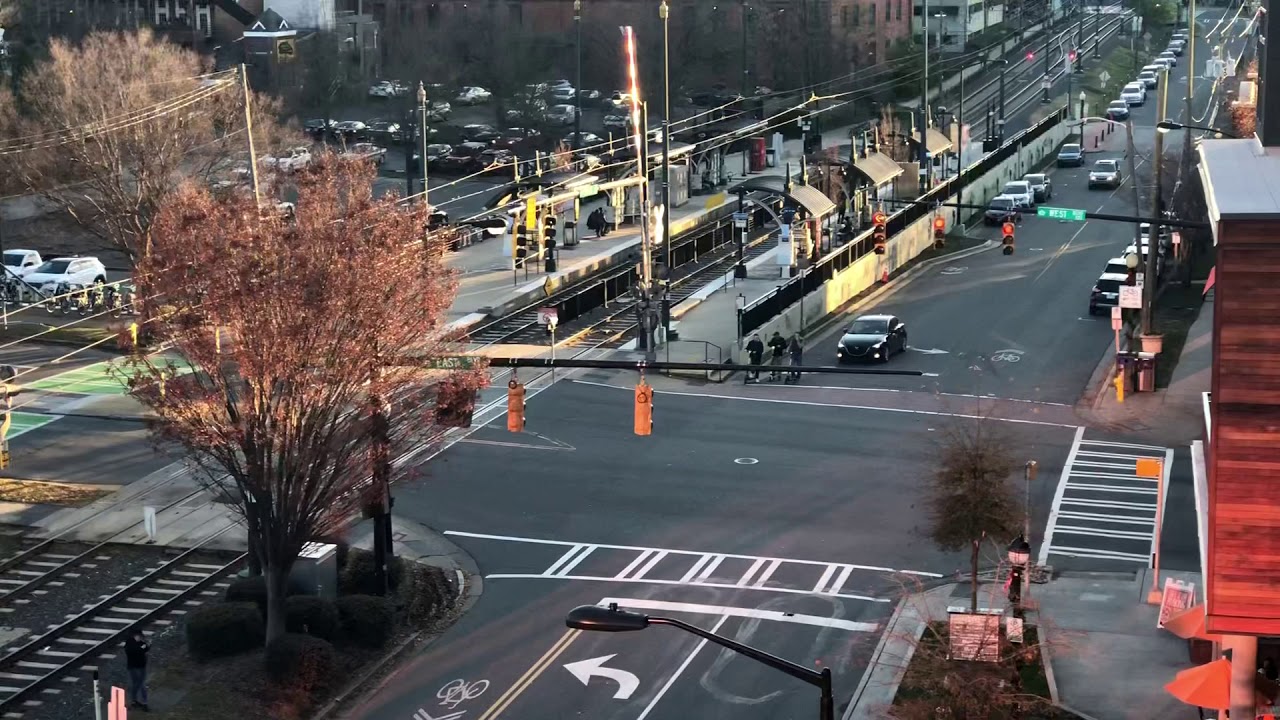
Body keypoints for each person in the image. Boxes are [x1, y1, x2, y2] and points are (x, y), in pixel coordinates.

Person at [124, 629, 150, 710]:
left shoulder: (140, 643)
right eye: (140, 636)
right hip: (135, 667)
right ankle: (143, 702)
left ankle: (135, 701)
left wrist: (145, 647)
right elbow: (135, 651)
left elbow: (146, 648)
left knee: (137, 684)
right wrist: (142, 648)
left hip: (139, 666)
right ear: (136, 636)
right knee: (140, 684)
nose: (140, 638)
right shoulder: (130, 643)